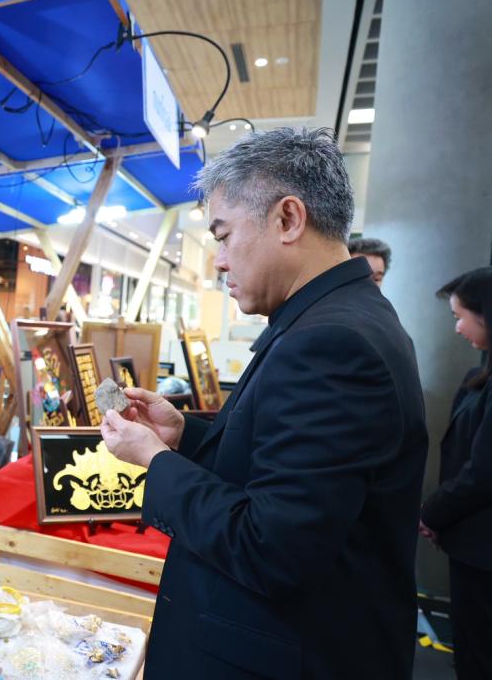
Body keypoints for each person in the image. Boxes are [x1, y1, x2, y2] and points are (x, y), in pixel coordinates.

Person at [101, 128, 427, 679]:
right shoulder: (339, 317)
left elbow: (269, 547)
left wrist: (155, 461)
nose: (219, 262)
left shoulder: (331, 343)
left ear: (288, 219)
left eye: (224, 236)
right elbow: (284, 465)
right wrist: (186, 435)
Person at [420, 267, 492, 680]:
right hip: (471, 541)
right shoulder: (477, 375)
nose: (458, 327)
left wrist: (433, 513)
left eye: (461, 316)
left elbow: (483, 471)